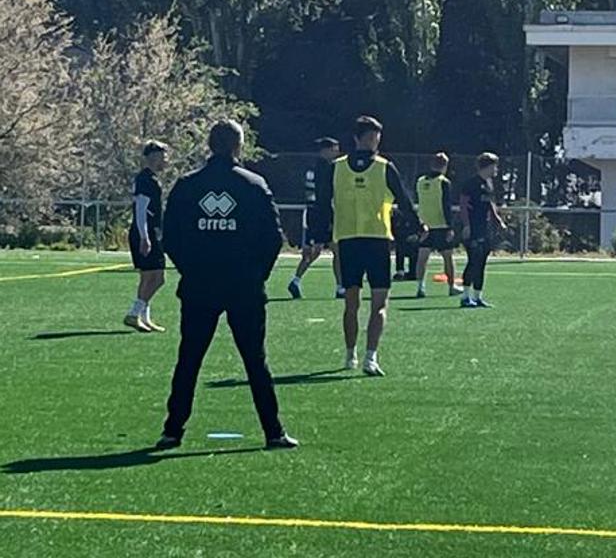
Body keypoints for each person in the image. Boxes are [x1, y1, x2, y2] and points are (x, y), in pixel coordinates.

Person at [157, 119, 296, 450]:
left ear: (209, 145)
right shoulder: (253, 184)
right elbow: (273, 239)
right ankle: (273, 432)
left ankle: (172, 430)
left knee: (189, 358)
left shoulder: (187, 185)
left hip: (199, 286)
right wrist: (255, 274)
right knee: (255, 360)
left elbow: (172, 237)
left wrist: (190, 269)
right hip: (244, 287)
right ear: (239, 146)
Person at [309, 116, 424, 376]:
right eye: (373, 137)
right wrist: (418, 226)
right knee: (371, 303)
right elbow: (404, 200)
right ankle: (363, 356)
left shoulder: (336, 167)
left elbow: (322, 204)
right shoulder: (384, 167)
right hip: (373, 241)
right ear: (360, 139)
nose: (375, 142)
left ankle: (360, 356)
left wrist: (318, 235)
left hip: (352, 241)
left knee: (359, 303)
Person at [288, 138, 343, 300]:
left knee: (321, 250)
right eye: (335, 149)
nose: (337, 153)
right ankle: (339, 287)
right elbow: (326, 194)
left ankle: (296, 280)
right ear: (325, 150)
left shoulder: (312, 167)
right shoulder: (327, 168)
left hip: (313, 212)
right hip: (323, 213)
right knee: (334, 250)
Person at [125, 141, 169, 333]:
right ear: (154, 157)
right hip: (146, 232)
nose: (166, 160)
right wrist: (145, 236)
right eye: (163, 156)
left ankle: (144, 318)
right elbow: (141, 209)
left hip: (148, 232)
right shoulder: (146, 180)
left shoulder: (150, 178)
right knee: (158, 278)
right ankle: (134, 313)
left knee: (147, 277)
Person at [459, 152, 506, 308]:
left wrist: (497, 219)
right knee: (473, 261)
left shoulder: (488, 183)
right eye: (494, 166)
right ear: (487, 166)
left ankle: (477, 297)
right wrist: (466, 226)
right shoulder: (470, 184)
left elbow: (489, 203)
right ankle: (465, 297)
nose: (496, 169)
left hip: (484, 228)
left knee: (482, 262)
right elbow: (464, 205)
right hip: (473, 227)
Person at [414, 152, 459, 298]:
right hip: (441, 225)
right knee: (448, 258)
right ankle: (452, 286)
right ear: (444, 166)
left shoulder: (420, 181)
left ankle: (420, 287)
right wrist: (450, 226)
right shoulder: (443, 182)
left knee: (422, 258)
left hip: (424, 225)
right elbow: (446, 206)